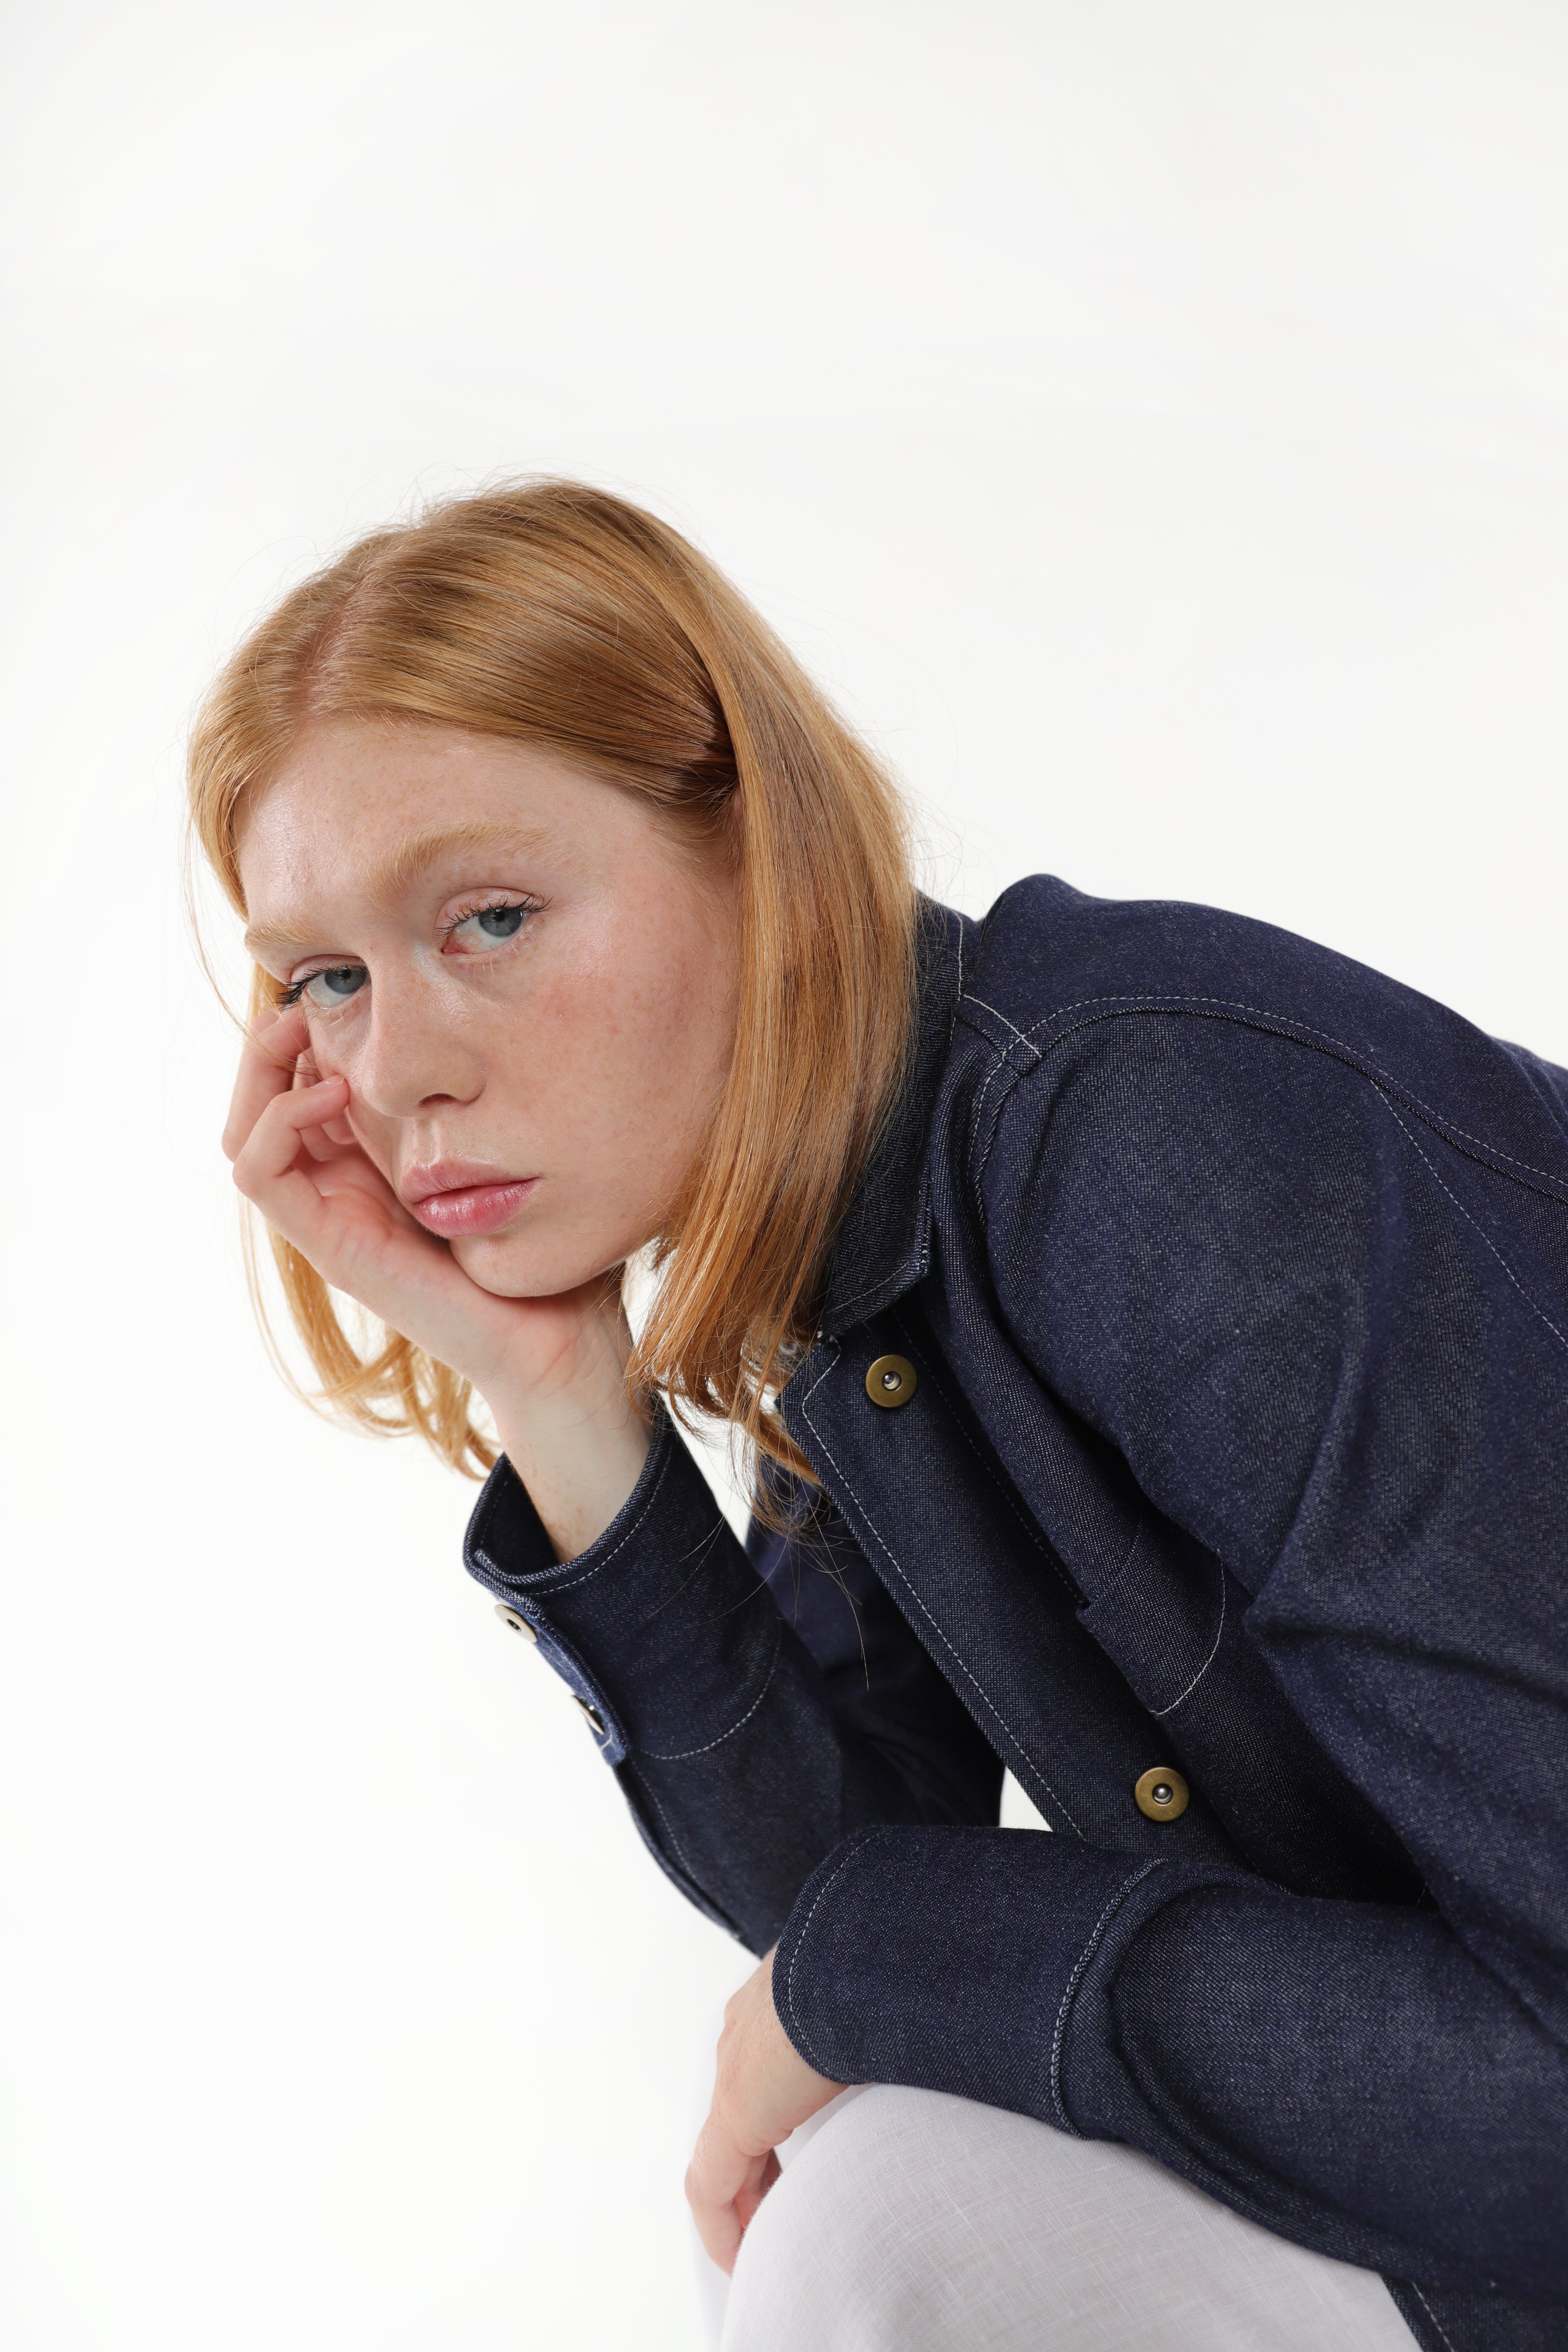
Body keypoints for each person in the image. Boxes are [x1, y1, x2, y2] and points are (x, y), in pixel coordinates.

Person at [193, 482, 1567, 2352]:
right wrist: (558, 1394)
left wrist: (862, 1974)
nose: (399, 1069)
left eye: (491, 917)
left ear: (753, 847)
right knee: (847, 2181)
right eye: (325, 981)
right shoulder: (852, 1244)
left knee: (877, 2219)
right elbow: (828, 1873)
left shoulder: (1138, 1136)